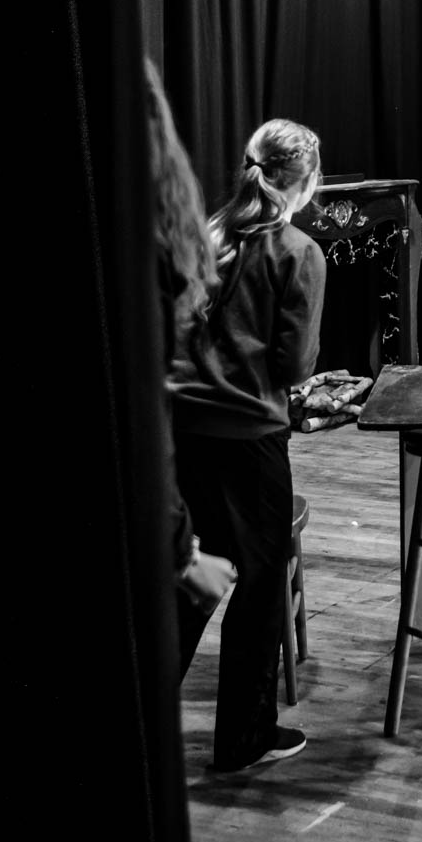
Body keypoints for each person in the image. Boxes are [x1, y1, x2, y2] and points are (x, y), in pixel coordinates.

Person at [170, 118, 327, 772]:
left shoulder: (205, 235)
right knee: (262, 590)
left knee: (196, 575)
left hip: (184, 434)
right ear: (307, 183)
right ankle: (243, 738)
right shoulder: (297, 252)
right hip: (250, 440)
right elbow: (294, 365)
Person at [144, 59, 239, 614]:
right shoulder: (161, 247)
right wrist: (182, 554)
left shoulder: (217, 230)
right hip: (235, 436)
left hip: (193, 430)